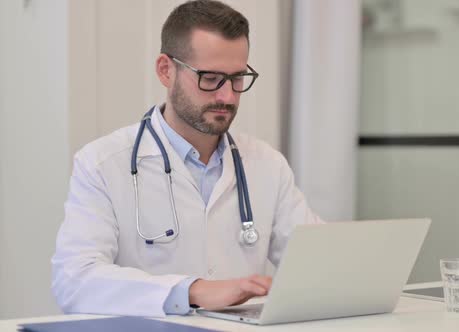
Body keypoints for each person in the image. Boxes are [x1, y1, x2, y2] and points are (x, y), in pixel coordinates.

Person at [51, 0, 322, 317]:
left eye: (237, 78)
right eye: (210, 78)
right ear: (166, 70)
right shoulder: (102, 163)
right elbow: (74, 280)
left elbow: (318, 263)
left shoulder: (266, 165)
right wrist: (193, 291)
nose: (227, 96)